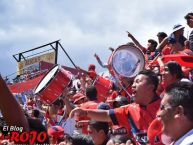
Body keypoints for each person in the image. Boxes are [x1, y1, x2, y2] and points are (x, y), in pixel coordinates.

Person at [70, 70, 163, 144]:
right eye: (133, 82)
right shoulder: (129, 110)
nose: (133, 85)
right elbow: (106, 115)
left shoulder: (167, 108)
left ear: (151, 87)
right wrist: (85, 112)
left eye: (138, 82)